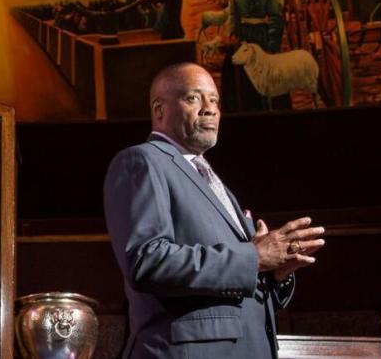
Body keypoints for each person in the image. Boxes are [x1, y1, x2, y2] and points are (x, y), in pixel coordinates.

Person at [104, 63, 323, 358]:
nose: (210, 109)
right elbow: (147, 261)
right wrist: (254, 257)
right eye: (194, 98)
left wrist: (273, 275)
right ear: (159, 110)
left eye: (215, 100)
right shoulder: (141, 162)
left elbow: (235, 287)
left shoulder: (209, 178)